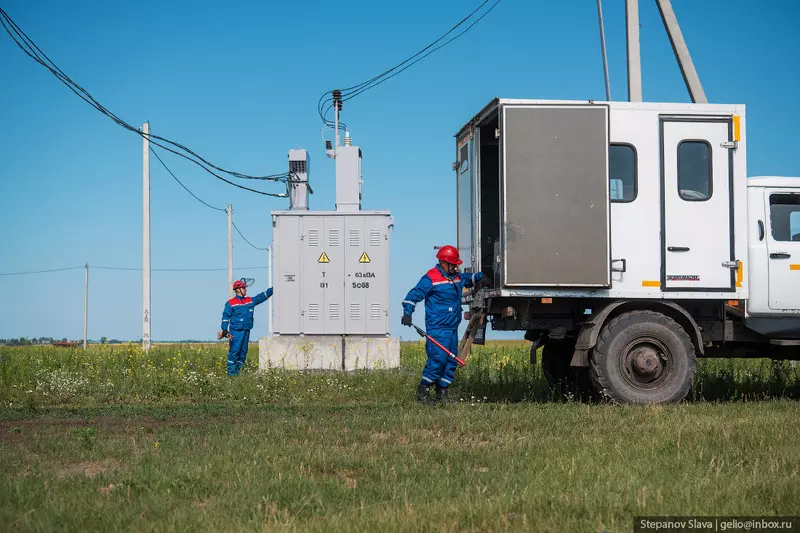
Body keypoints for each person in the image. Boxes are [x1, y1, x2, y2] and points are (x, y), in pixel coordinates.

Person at [401, 245, 483, 403]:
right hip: (437, 329)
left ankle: (442, 393)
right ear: (443, 263)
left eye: (456, 264)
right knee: (437, 360)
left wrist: (482, 276)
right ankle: (423, 392)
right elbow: (414, 294)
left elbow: (468, 278)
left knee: (451, 361)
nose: (455, 267)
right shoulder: (431, 278)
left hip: (452, 329)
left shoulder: (456, 277)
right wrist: (407, 313)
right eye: (453, 264)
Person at [218, 279, 273, 376]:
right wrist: (225, 332)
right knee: (234, 353)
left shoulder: (250, 301)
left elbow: (261, 297)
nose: (246, 289)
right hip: (236, 333)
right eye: (244, 288)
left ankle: (238, 374)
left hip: (246, 331)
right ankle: (231, 377)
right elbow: (225, 318)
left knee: (243, 354)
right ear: (238, 289)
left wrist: (274, 289)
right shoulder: (230, 303)